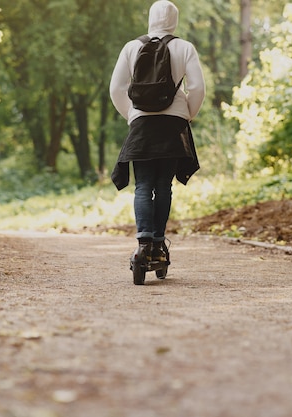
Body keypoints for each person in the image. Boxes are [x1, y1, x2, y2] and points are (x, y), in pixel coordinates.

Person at [109, 0, 206, 268]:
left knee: (143, 185)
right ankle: (159, 244)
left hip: (142, 124)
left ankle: (143, 244)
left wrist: (132, 114)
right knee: (163, 185)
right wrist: (187, 113)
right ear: (174, 20)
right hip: (173, 124)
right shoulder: (184, 47)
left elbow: (116, 88)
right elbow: (197, 87)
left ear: (150, 18)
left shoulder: (132, 47)